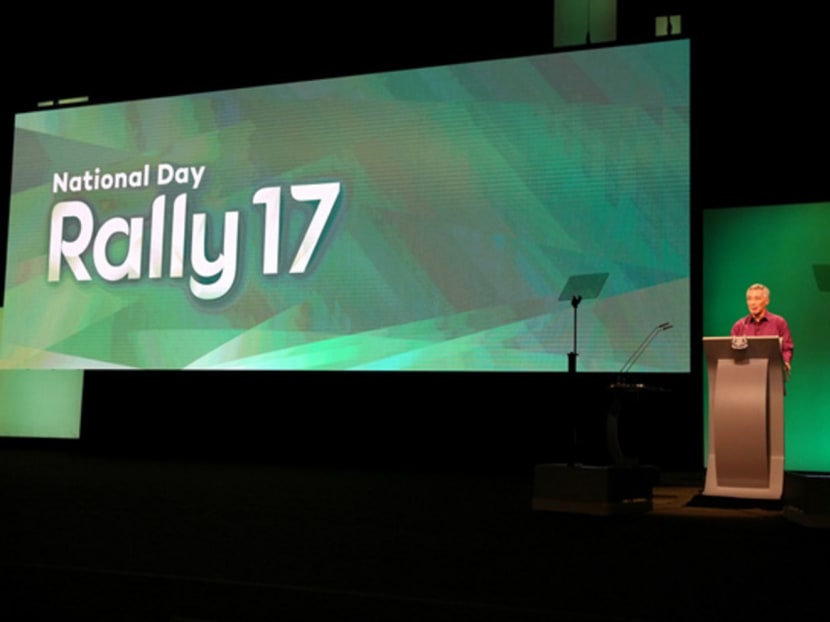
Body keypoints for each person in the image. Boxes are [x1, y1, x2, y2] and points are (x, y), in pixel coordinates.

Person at [730, 283, 793, 373]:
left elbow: (787, 348)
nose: (752, 303)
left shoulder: (779, 322)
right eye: (749, 299)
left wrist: (785, 362)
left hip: (772, 373)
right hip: (746, 375)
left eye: (757, 298)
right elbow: (733, 353)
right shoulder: (739, 326)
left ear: (767, 301)